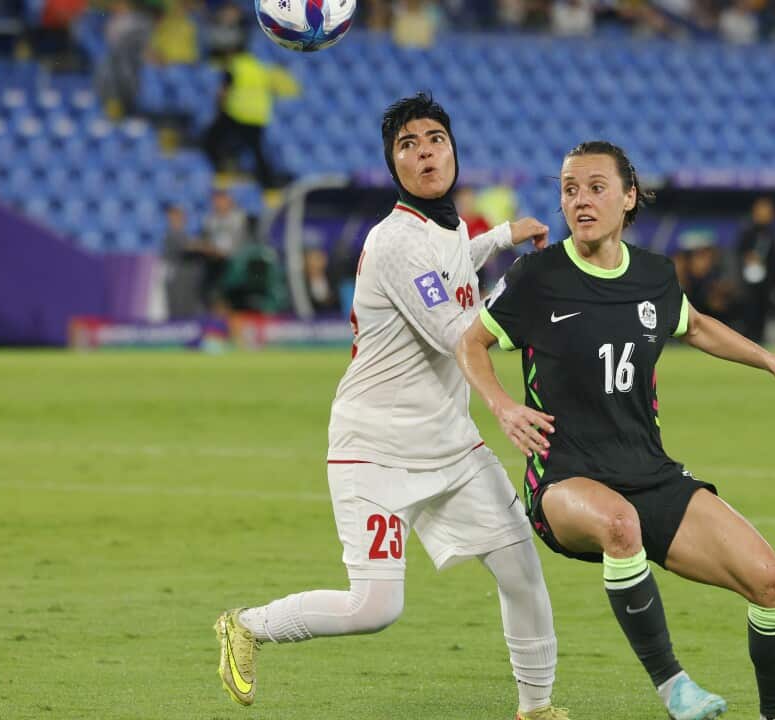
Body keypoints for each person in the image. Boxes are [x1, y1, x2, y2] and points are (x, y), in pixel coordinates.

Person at [213, 93, 570, 720]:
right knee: (376, 608)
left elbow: (455, 257)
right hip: (374, 447)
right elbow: (457, 333)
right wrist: (526, 277)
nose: (425, 151)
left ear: (454, 150)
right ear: (393, 166)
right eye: (408, 145)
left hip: (448, 442)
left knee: (520, 566)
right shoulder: (394, 241)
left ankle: (536, 710)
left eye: (435, 138)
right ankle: (245, 625)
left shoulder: (449, 224)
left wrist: (502, 238)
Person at [457, 141, 775, 720]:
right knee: (619, 524)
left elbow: (696, 325)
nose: (579, 201)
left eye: (595, 187)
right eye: (568, 189)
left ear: (629, 197)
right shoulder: (538, 275)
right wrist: (503, 405)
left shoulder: (656, 275)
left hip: (649, 472)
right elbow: (471, 343)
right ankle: (674, 687)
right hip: (565, 478)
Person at [202, 45, 299, 187]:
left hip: (238, 112)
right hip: (258, 115)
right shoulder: (259, 67)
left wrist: (219, 108)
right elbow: (275, 89)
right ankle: (267, 181)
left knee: (212, 139)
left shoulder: (234, 66)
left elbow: (224, 91)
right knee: (256, 149)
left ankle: (218, 168)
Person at [729, 197, 775, 344]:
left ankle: (760, 345)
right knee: (748, 317)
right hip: (747, 285)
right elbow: (737, 257)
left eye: (768, 211)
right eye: (762, 211)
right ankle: (746, 345)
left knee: (763, 317)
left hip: (767, 285)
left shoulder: (773, 234)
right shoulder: (747, 233)